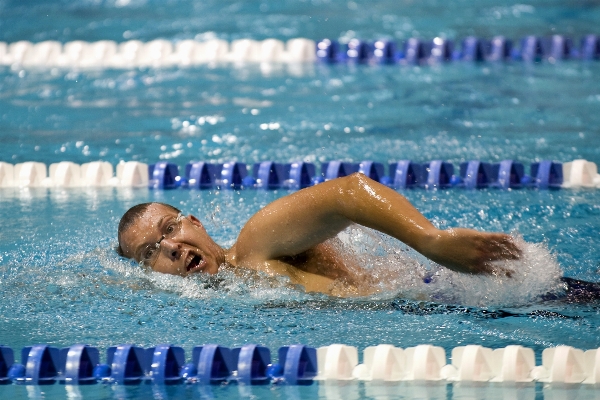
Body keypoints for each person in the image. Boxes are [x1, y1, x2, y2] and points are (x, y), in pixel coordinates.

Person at [116, 173, 522, 296]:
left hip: (460, 294)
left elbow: (346, 193)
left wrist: (432, 241)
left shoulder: (256, 244)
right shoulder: (232, 291)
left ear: (196, 223)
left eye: (170, 229)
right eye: (150, 252)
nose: (171, 247)